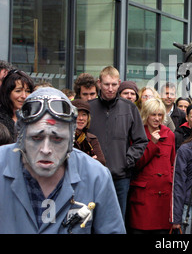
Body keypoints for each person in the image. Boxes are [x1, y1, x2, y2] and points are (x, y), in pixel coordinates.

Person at [0, 87, 125, 233]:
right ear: (20, 136)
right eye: (36, 137)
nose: (46, 149)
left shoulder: (97, 177)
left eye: (57, 138)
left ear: (71, 138)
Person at [88, 66, 148, 218]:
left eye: (114, 84)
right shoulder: (89, 108)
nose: (110, 88)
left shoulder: (129, 108)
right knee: (91, 220)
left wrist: (126, 161)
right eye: (107, 84)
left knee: (117, 220)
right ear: (99, 83)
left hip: (120, 177)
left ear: (119, 83)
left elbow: (141, 140)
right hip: (93, 176)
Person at [127, 98, 175, 234]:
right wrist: (152, 143)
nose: (157, 118)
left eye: (160, 115)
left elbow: (172, 163)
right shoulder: (138, 133)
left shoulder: (169, 135)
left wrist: (169, 182)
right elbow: (135, 164)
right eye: (153, 114)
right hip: (143, 197)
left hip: (164, 196)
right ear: (146, 115)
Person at [0, 69, 34, 141]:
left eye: (28, 91)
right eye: (18, 91)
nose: (24, 96)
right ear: (7, 93)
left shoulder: (34, 117)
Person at [71, 99, 106, 166]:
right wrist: (90, 160)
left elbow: (102, 161)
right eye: (77, 114)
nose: (81, 118)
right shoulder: (65, 137)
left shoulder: (91, 138)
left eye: (84, 115)